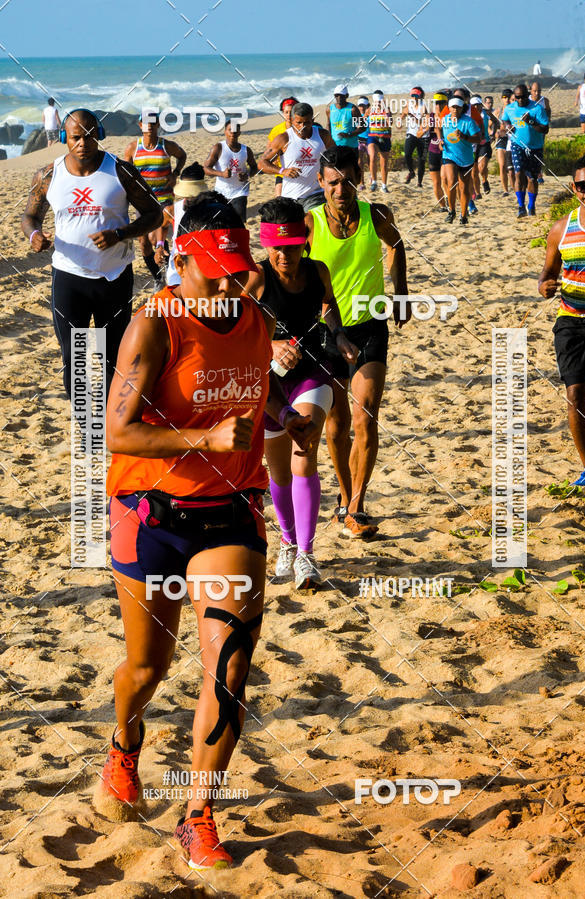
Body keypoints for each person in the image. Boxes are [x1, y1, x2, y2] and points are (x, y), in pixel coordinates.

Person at [99, 193, 318, 870]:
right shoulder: (154, 324)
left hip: (228, 512)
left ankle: (198, 815)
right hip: (151, 511)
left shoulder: (254, 316)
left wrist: (285, 415)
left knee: (229, 669)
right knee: (147, 668)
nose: (229, 286)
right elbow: (117, 432)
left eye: (237, 271)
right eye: (215, 273)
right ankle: (124, 742)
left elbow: (255, 384)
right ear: (181, 260)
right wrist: (206, 436)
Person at [245, 197, 358, 588]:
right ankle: (289, 542)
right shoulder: (256, 279)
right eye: (276, 248)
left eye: (291, 247)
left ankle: (307, 555)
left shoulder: (318, 271)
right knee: (278, 471)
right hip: (269, 383)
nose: (284, 255)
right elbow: (236, 332)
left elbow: (328, 306)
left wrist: (338, 334)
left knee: (303, 453)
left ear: (303, 241)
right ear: (265, 245)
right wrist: (271, 345)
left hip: (312, 371)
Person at [21, 108, 162, 399]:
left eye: (89, 136)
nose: (83, 143)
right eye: (76, 137)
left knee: (113, 355)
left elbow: (155, 215)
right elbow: (30, 217)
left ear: (99, 135)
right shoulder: (48, 175)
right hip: (68, 278)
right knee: (74, 358)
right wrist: (34, 235)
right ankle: (85, 420)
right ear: (64, 138)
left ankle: (111, 418)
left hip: (114, 277)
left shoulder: (121, 171)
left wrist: (120, 234)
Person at [306, 146, 410, 538]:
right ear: (321, 182)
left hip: (370, 325)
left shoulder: (376, 215)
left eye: (348, 181)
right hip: (326, 332)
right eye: (333, 182)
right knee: (337, 425)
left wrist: (401, 293)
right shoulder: (311, 224)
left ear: (359, 179)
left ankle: (357, 506)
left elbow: (396, 245)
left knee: (366, 414)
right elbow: (295, 272)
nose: (341, 190)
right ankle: (344, 497)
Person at [538, 155, 585, 486]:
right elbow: (546, 274)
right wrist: (545, 285)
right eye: (582, 185)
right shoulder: (561, 228)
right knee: (575, 397)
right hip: (571, 322)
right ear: (574, 188)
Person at [123, 113, 187, 289]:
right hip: (142, 202)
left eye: (153, 122)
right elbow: (125, 173)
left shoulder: (167, 146)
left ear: (158, 124)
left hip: (164, 200)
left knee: (155, 239)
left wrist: (175, 173)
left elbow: (182, 156)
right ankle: (158, 277)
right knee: (144, 245)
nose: (149, 126)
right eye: (146, 122)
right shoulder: (133, 148)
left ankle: (168, 272)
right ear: (140, 125)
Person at [258, 102, 334, 212]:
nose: (302, 127)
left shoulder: (323, 136)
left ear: (312, 120)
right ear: (292, 121)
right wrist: (283, 171)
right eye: (298, 123)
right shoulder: (283, 138)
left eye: (307, 123)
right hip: (290, 196)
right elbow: (262, 163)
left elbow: (336, 157)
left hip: (316, 194)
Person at [501, 82, 549, 217]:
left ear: (528, 95)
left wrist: (531, 122)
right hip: (517, 145)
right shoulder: (509, 108)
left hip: (535, 148)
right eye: (517, 97)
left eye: (523, 97)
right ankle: (521, 206)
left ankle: (531, 206)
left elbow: (545, 129)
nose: (520, 100)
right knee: (518, 173)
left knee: (532, 179)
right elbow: (504, 121)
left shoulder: (537, 109)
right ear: (514, 97)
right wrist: (508, 126)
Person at [161, 162, 207, 286]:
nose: (188, 198)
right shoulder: (171, 210)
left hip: (202, 265)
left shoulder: (211, 210)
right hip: (178, 265)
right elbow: (163, 227)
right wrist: (160, 245)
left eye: (192, 194)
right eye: (186, 194)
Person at [203, 119, 257, 223]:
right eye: (230, 130)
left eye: (235, 130)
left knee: (239, 223)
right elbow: (205, 168)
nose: (233, 132)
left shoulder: (246, 150)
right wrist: (221, 174)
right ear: (225, 132)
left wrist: (247, 175)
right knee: (221, 223)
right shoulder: (218, 147)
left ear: (239, 133)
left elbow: (254, 167)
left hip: (240, 192)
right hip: (221, 192)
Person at [440, 97, 480, 225]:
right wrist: (440, 140)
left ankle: (463, 215)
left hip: (466, 158)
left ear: (462, 108)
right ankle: (451, 211)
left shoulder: (468, 122)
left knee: (464, 188)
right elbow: (438, 129)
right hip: (449, 155)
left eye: (458, 107)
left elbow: (478, 139)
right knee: (451, 182)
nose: (455, 109)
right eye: (453, 107)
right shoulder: (445, 119)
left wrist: (465, 137)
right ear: (449, 108)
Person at [266, 96, 298, 198]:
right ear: (282, 113)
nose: (288, 115)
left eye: (291, 112)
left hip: (301, 169)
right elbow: (268, 151)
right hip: (282, 171)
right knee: (279, 198)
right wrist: (273, 158)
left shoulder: (303, 128)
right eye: (286, 112)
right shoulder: (277, 130)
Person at [367, 89, 393, 193]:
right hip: (372, 136)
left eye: (379, 101)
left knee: (384, 163)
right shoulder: (369, 110)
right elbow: (362, 120)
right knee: (372, 156)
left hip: (385, 136)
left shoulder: (387, 110)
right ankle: (374, 182)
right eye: (376, 101)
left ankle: (384, 185)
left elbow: (390, 123)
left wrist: (386, 113)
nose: (378, 103)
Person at [403, 86, 428, 187]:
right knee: (407, 154)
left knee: (421, 159)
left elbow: (422, 123)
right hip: (412, 133)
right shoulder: (409, 104)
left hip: (423, 135)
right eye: (412, 95)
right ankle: (411, 172)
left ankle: (419, 182)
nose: (413, 97)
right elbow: (402, 115)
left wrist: (411, 115)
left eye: (416, 95)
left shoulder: (424, 106)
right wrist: (400, 119)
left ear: (420, 96)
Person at [326, 84, 361, 156]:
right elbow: (328, 125)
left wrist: (349, 134)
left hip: (351, 147)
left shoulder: (353, 109)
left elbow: (363, 127)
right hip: (335, 147)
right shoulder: (330, 109)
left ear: (347, 96)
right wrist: (328, 140)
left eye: (341, 96)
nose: (339, 98)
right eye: (336, 95)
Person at [427, 92, 448, 211]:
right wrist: (425, 129)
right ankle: (443, 206)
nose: (438, 106)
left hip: (447, 151)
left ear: (446, 103)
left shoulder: (450, 116)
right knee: (436, 183)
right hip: (433, 151)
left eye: (441, 103)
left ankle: (450, 202)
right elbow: (419, 134)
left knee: (446, 179)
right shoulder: (430, 117)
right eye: (436, 103)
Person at [495, 89, 515, 196]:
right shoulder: (498, 111)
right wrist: (494, 132)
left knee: (512, 168)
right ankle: (505, 190)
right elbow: (490, 125)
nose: (506, 99)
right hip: (502, 139)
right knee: (502, 165)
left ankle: (515, 188)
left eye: (508, 97)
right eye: (504, 97)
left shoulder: (514, 110)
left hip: (512, 138)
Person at [356, 96, 371, 190]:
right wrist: (364, 116)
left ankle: (372, 177)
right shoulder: (356, 116)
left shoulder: (371, 115)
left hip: (370, 140)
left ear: (367, 106)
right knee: (360, 162)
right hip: (359, 140)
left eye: (363, 106)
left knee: (370, 161)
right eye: (360, 105)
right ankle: (362, 183)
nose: (361, 108)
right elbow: (357, 126)